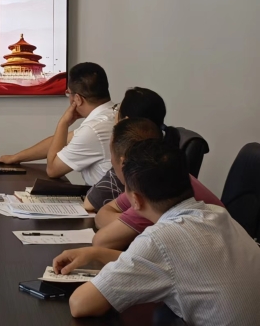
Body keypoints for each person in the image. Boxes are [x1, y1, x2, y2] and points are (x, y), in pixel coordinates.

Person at [53, 140, 260, 324]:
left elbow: (80, 304)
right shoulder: (216, 213)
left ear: (135, 200)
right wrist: (96, 254)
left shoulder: (159, 239)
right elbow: (168, 263)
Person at [93, 118, 222, 250]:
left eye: (111, 153)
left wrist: (129, 222)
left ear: (123, 162)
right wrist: (127, 221)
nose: (111, 160)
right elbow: (103, 214)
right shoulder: (165, 175)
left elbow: (101, 241)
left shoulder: (155, 195)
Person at [0, 62, 114, 185]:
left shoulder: (93, 130)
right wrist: (15, 158)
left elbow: (53, 170)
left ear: (78, 99)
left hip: (101, 197)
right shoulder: (110, 115)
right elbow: (62, 140)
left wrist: (63, 123)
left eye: (69, 93)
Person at [83, 87, 167, 212]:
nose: (115, 114)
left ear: (125, 121)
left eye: (117, 109)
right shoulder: (165, 152)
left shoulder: (133, 163)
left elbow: (89, 204)